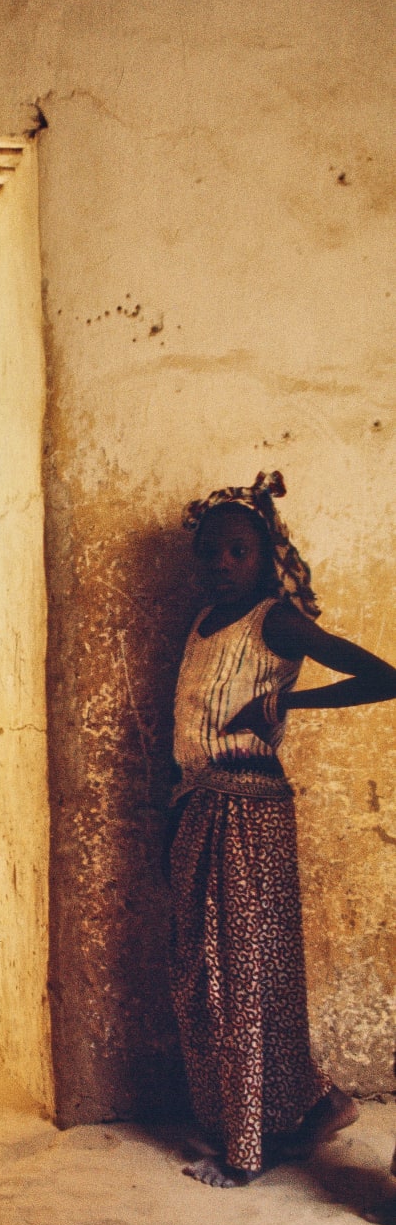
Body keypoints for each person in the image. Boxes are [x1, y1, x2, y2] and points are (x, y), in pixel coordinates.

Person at [167, 472, 396, 1188]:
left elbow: (384, 677)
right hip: (199, 806)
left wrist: (286, 705)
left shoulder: (277, 621)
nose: (223, 562)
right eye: (212, 551)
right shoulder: (203, 622)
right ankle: (317, 1105)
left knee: (243, 980)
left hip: (250, 815)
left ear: (266, 557)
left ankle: (247, 1152)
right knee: (203, 976)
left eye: (239, 550)